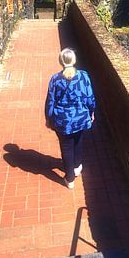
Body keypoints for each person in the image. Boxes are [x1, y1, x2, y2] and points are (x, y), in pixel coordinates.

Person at [45, 48, 96, 189]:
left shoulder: (55, 79)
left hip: (62, 121)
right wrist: (91, 112)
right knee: (78, 140)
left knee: (66, 147)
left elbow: (50, 101)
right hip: (80, 117)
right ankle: (77, 167)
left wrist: (49, 119)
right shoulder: (84, 76)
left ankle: (70, 179)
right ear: (74, 60)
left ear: (61, 61)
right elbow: (90, 98)